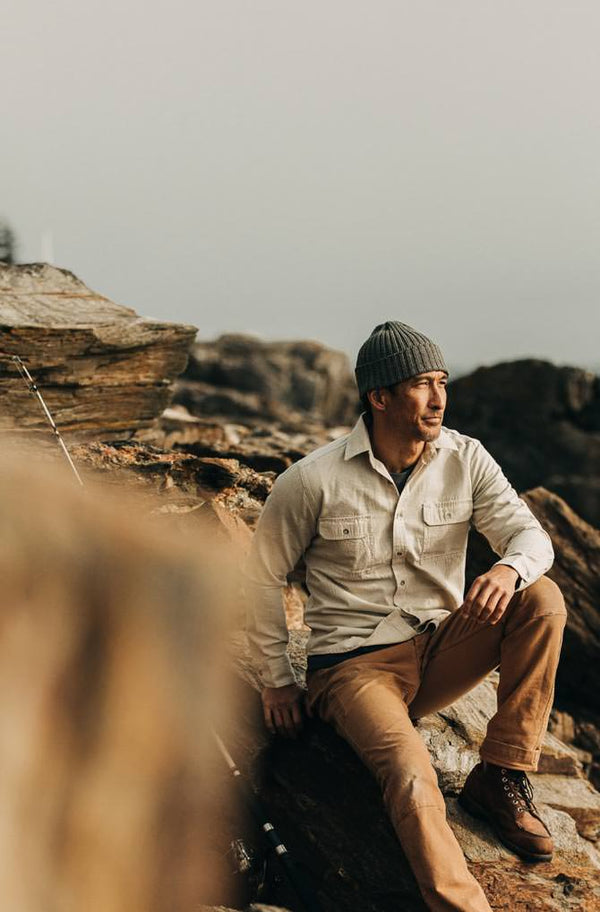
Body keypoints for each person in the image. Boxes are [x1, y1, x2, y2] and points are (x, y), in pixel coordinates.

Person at [245, 321, 567, 912]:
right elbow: (261, 578)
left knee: (542, 597)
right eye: (422, 384)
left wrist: (506, 570)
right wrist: (276, 679)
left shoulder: (466, 459)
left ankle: (499, 777)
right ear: (380, 396)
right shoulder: (311, 480)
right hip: (355, 669)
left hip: (441, 645)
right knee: (412, 774)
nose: (440, 397)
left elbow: (530, 538)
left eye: (442, 382)